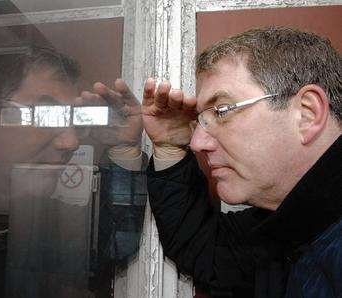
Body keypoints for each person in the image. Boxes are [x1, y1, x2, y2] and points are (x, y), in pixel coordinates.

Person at [142, 27, 341, 297]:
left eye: (222, 110)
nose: (198, 143)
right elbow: (206, 248)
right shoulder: (291, 223)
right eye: (203, 119)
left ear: (307, 114)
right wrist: (168, 146)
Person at [0, 47, 147, 297]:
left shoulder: (58, 211)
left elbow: (119, 247)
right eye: (47, 116)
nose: (71, 143)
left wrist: (124, 148)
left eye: (73, 121)